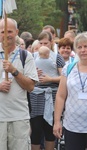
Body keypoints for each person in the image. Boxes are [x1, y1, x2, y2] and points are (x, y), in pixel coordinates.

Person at [53, 32, 87, 150]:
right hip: (72, 125)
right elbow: (61, 96)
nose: (83, 50)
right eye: (79, 47)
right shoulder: (68, 68)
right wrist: (57, 121)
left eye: (86, 46)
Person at [0, 18, 38, 150]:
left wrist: (14, 71)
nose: (6, 35)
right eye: (2, 31)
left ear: (16, 32)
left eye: (9, 31)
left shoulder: (26, 56)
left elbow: (30, 87)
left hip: (19, 117)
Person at [30, 31, 65, 150]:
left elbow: (64, 77)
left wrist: (51, 79)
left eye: (46, 43)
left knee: (49, 130)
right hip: (35, 96)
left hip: (52, 95)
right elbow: (25, 76)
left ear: (51, 43)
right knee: (35, 130)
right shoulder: (32, 56)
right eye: (41, 43)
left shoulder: (57, 57)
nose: (43, 45)